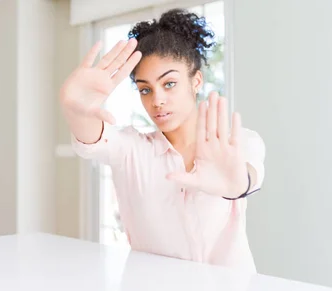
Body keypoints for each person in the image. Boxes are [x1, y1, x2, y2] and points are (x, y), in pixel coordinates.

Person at [59, 8, 265, 272]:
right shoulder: (132, 151)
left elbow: (248, 175)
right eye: (145, 89)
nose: (157, 100)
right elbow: (93, 137)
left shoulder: (238, 143)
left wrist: (238, 183)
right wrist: (76, 111)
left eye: (169, 84)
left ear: (196, 80)